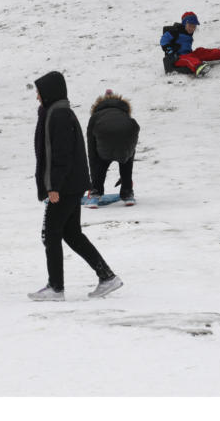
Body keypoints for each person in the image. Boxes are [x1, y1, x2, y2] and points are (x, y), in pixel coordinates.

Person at [31, 71, 122, 301]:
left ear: (49, 92)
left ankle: (56, 287)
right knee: (71, 234)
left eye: (39, 92)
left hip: (65, 186)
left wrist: (53, 187)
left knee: (50, 233)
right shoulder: (55, 112)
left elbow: (59, 155)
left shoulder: (58, 115)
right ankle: (107, 277)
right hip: (71, 184)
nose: (37, 97)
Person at [85, 89, 140, 206]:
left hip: (104, 140)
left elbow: (92, 151)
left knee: (100, 162)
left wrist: (93, 180)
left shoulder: (95, 116)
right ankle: (127, 193)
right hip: (128, 135)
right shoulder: (124, 113)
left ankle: (95, 194)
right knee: (126, 159)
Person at [159, 11, 220, 78]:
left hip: (189, 54)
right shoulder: (175, 31)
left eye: (194, 27)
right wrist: (169, 50)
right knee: (188, 59)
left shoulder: (188, 33)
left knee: (201, 51)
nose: (192, 29)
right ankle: (198, 67)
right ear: (184, 24)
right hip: (177, 58)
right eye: (190, 26)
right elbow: (163, 40)